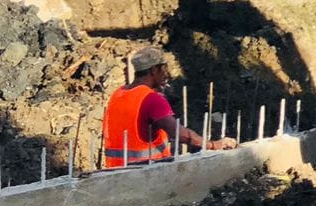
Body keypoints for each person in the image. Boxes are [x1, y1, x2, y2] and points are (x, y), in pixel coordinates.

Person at [101, 47, 235, 168]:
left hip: (115, 171)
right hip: (146, 173)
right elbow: (177, 132)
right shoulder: (151, 98)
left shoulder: (117, 94)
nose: (166, 74)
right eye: (164, 69)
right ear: (154, 70)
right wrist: (212, 145)